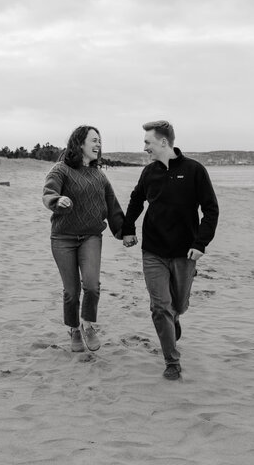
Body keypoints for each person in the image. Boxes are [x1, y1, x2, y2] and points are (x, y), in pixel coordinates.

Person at [122, 120, 219, 380]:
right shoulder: (149, 172)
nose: (145, 148)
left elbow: (210, 209)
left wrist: (201, 244)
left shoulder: (194, 170)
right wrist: (128, 228)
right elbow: (136, 199)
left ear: (163, 142)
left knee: (179, 304)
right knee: (159, 306)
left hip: (184, 252)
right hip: (153, 249)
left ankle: (175, 316)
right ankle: (172, 361)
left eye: (147, 143)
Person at [43, 125, 124, 353]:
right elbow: (49, 191)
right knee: (71, 291)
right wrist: (57, 201)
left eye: (100, 141)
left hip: (90, 236)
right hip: (63, 238)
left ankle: (87, 325)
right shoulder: (61, 169)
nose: (98, 144)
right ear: (79, 144)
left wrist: (123, 232)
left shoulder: (100, 176)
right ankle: (74, 329)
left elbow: (112, 207)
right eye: (94, 140)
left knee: (92, 286)